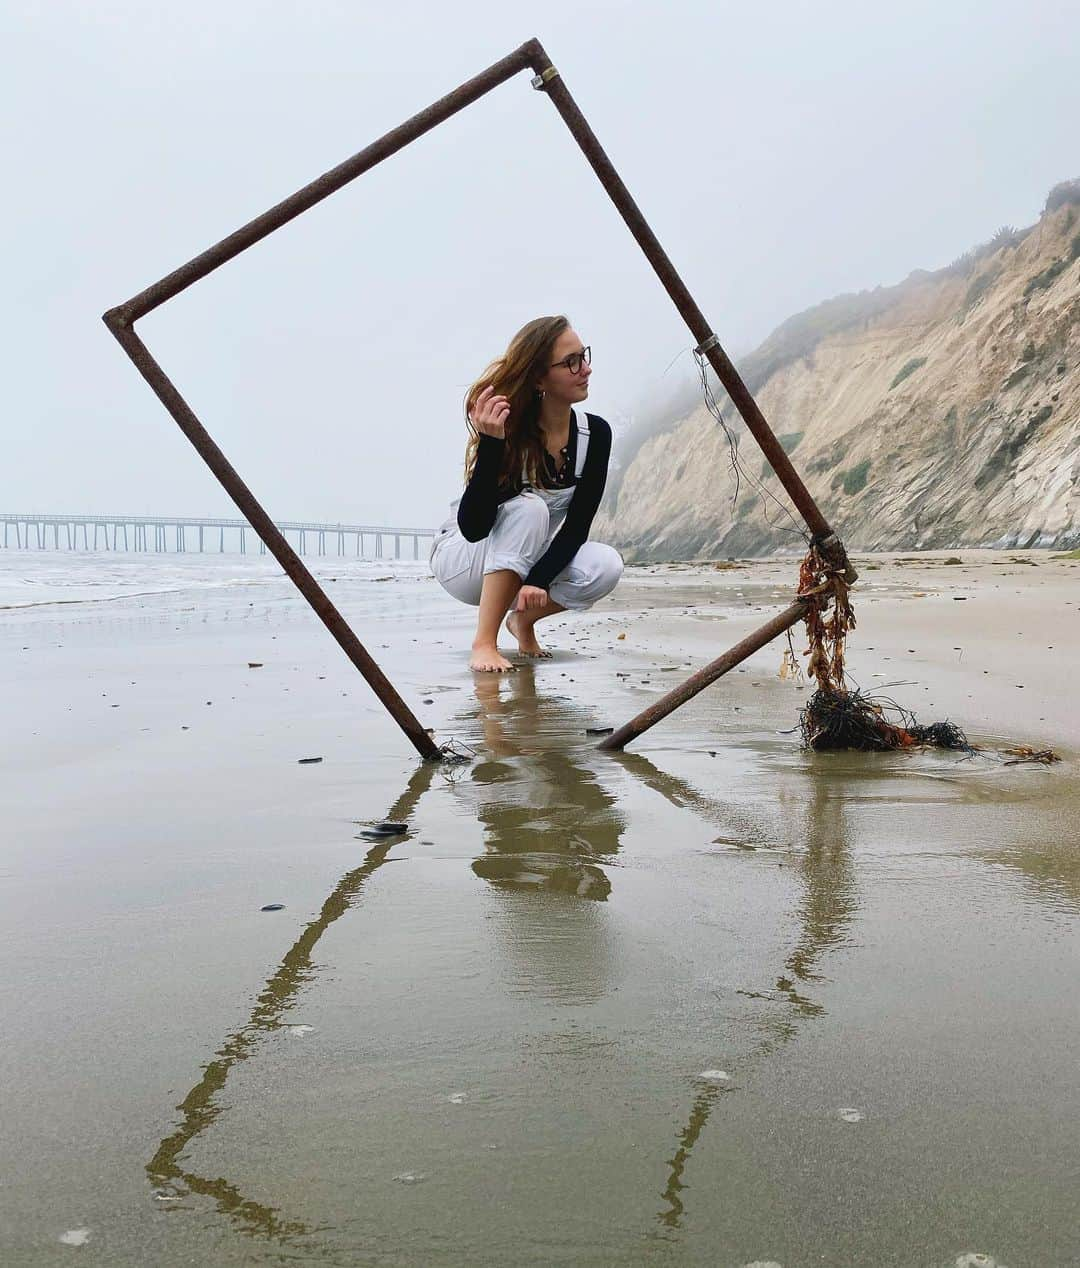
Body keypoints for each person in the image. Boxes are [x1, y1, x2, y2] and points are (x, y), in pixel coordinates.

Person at [430, 316, 623, 672]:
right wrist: (491, 444)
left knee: (605, 565)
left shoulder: (595, 434)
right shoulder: (508, 430)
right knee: (531, 508)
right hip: (465, 562)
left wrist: (536, 581)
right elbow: (474, 526)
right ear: (538, 378)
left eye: (584, 356)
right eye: (572, 362)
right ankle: (484, 643)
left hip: (524, 562)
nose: (587, 369)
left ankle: (522, 621)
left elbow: (576, 527)